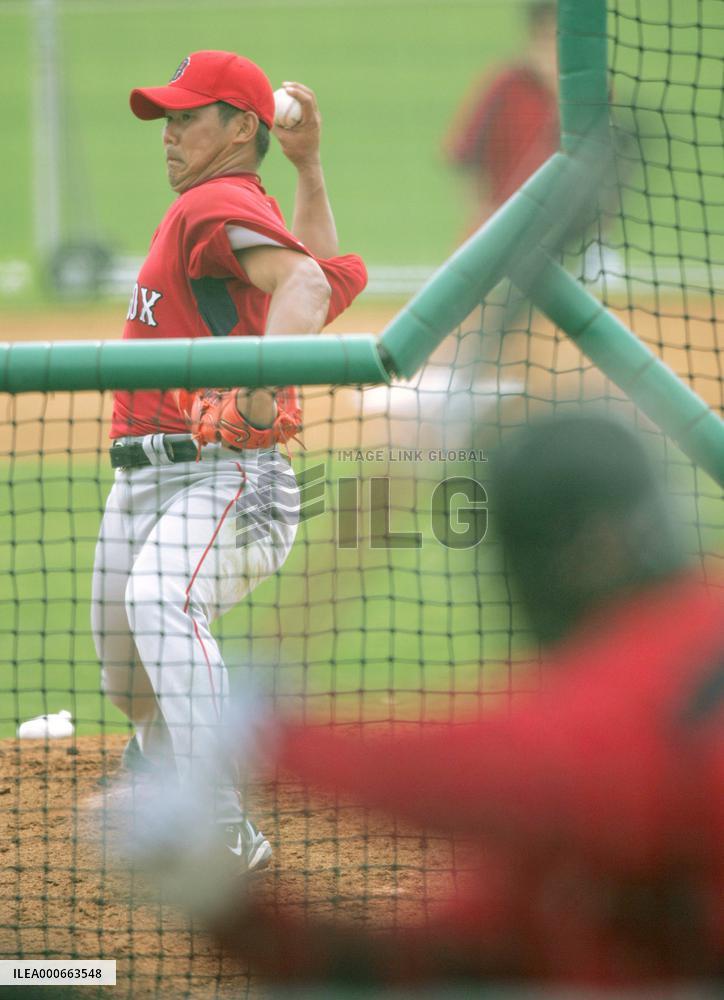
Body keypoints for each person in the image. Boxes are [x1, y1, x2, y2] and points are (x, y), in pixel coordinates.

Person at [206, 414, 724, 985]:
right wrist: (226, 912)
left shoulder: (690, 654)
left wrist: (270, 741)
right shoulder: (554, 858)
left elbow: (526, 769)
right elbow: (417, 966)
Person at [90, 50, 367, 872]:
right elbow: (317, 275)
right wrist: (310, 165)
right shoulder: (239, 204)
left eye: (187, 118)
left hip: (228, 478)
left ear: (241, 127)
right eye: (167, 120)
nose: (169, 136)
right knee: (128, 683)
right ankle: (158, 764)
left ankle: (219, 827)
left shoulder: (213, 204)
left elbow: (309, 291)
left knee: (161, 600)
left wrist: (252, 394)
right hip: (145, 479)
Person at [443, 1, 559, 232]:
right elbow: (464, 154)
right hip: (505, 226)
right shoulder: (506, 84)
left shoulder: (586, 92)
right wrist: (481, 217)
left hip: (566, 231)